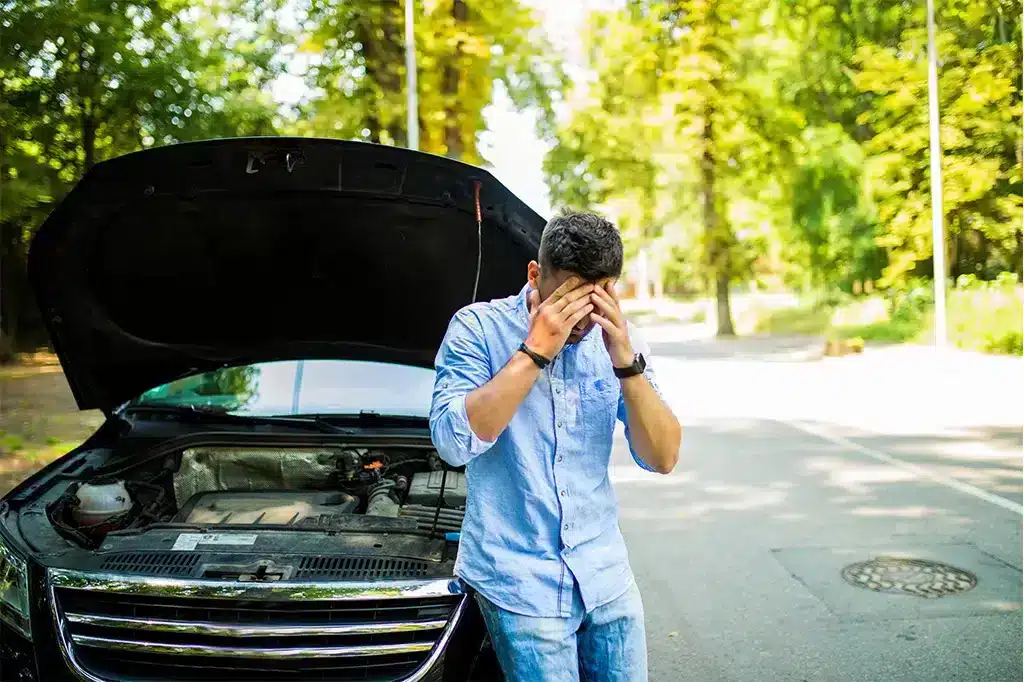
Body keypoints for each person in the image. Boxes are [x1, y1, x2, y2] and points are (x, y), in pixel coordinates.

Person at [429, 209, 682, 681]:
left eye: (598, 296)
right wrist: (534, 352)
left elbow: (662, 457)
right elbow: (452, 443)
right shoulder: (477, 329)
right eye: (569, 296)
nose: (582, 318)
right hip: (518, 580)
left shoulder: (618, 341)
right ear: (534, 275)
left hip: (605, 573)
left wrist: (627, 363)